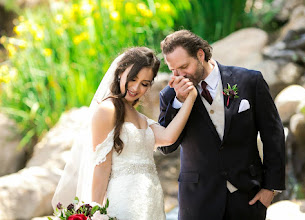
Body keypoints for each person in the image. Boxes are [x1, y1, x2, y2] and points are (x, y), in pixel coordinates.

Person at [52, 47, 197, 220]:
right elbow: (101, 166)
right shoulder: (107, 110)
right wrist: (94, 211)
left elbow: (168, 137)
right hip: (123, 200)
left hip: (151, 201)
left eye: (144, 83)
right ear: (120, 72)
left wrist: (190, 98)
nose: (136, 88)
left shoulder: (140, 117)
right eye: (132, 78)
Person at [158, 30, 285, 220]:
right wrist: (179, 102)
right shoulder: (170, 96)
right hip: (197, 203)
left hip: (247, 197)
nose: (179, 75)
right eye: (173, 70)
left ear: (200, 55)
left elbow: (273, 135)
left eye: (184, 66)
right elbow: (166, 147)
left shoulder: (250, 81)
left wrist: (270, 188)